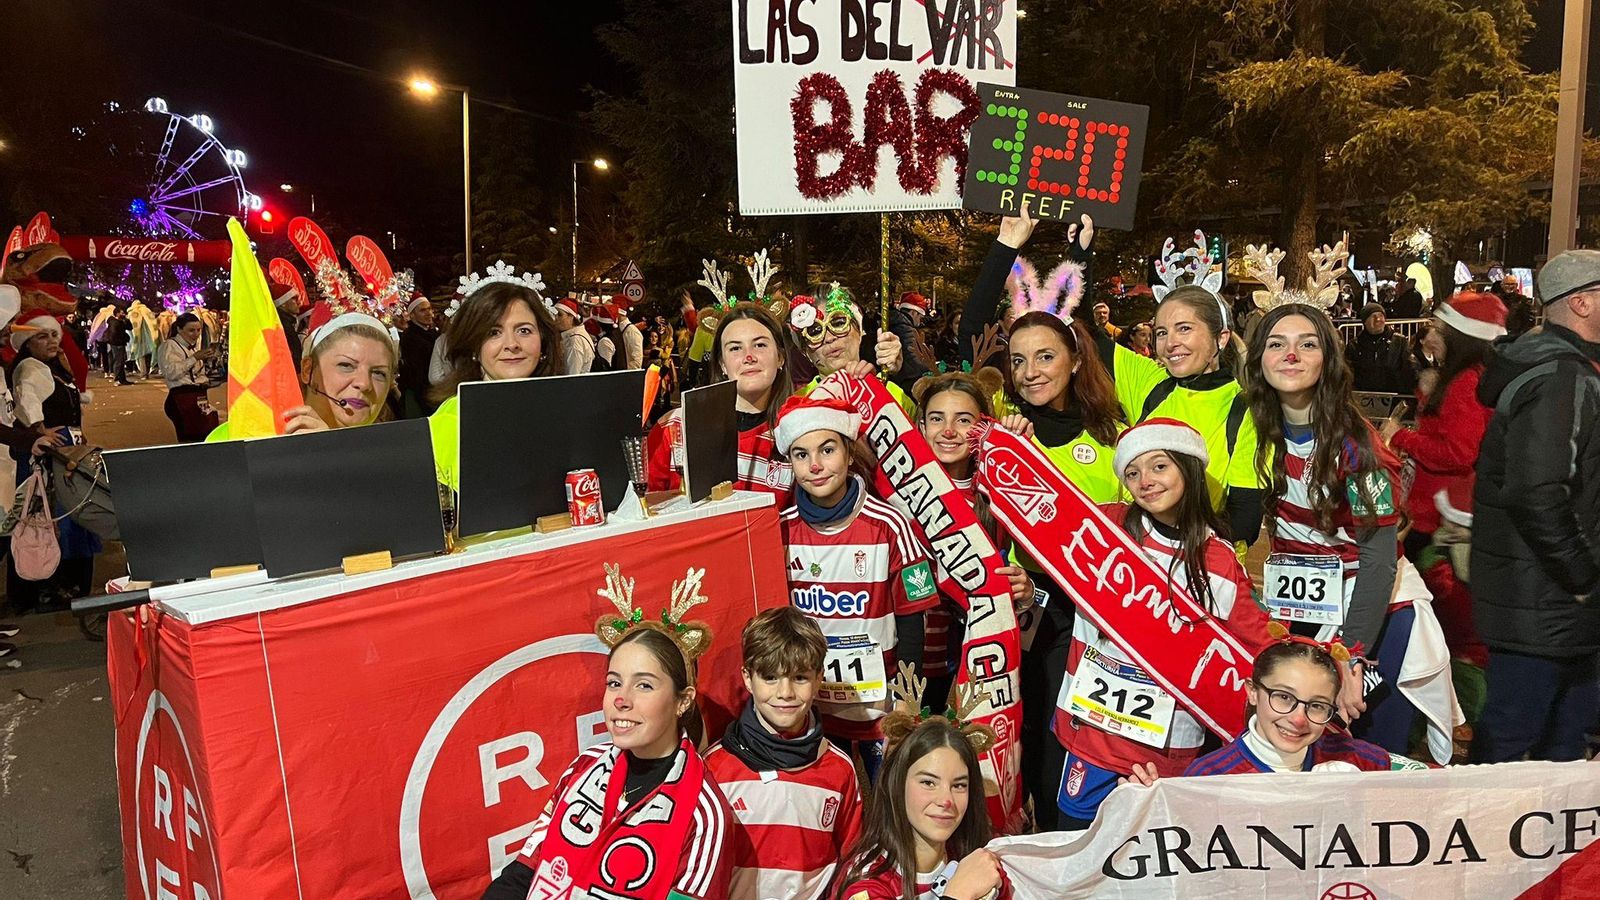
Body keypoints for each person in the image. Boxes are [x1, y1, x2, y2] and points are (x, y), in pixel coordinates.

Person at [1246, 301, 1452, 760]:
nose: (1291, 355)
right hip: (1300, 611)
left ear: (1329, 360)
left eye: (1308, 344)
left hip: (1374, 612)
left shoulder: (1359, 449)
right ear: (1259, 357)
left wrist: (1352, 654)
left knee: (1366, 757)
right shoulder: (1251, 432)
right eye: (1277, 344)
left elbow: (1379, 558)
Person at [1054, 419, 1273, 828]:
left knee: (1146, 855)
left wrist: (1330, 662)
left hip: (1166, 742)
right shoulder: (1105, 526)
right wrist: (1010, 444)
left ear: (1188, 468)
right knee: (1075, 841)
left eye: (1159, 467)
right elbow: (1038, 507)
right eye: (1132, 472)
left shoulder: (1220, 562)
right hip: (1092, 731)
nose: (1145, 481)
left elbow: (1258, 643)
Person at [482, 573, 731, 899]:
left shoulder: (703, 815)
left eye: (644, 685)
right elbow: (523, 873)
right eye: (614, 682)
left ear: (682, 701)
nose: (621, 699)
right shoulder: (583, 767)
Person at [1470, 249, 1600, 764]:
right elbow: (1537, 492)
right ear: (1584, 303)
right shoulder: (1561, 376)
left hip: (1548, 603)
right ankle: (1476, 839)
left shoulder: (1558, 367)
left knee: (1560, 749)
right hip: (1547, 603)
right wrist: (1583, 578)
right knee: (1515, 744)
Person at [775, 395, 938, 782]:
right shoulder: (778, 530)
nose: (815, 465)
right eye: (801, 455)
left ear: (849, 454)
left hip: (880, 706)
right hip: (811, 704)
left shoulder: (891, 524)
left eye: (827, 450)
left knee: (890, 800)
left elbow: (914, 620)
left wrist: (908, 700)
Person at [704, 608, 863, 900]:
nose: (785, 692)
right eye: (770, 677)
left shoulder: (840, 769)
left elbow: (852, 863)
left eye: (800, 677)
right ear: (748, 678)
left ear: (819, 679)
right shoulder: (713, 768)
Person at [912, 370, 1036, 707]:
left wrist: (1025, 591)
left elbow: (1021, 576)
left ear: (983, 427)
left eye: (963, 420)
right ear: (921, 428)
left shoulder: (999, 495)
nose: (948, 431)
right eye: (936, 419)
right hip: (911, 663)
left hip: (976, 663)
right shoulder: (896, 490)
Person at [1175, 634, 1426, 777]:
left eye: (1317, 706)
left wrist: (1360, 796)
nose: (1298, 719)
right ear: (1252, 692)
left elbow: (1419, 785)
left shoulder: (1356, 759)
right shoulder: (1209, 777)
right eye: (1284, 697)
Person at [833, 699, 1010, 900]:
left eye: (959, 785)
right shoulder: (864, 883)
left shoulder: (977, 860)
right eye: (928, 782)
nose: (946, 800)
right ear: (897, 785)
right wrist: (958, 895)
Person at [1380, 292, 1505, 560]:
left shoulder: (1465, 383)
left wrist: (1400, 436)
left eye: (1440, 330)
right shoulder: (1465, 377)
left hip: (1439, 513)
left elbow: (1457, 454)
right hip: (1436, 508)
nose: (1432, 337)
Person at [429, 273, 563, 492]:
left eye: (524, 330)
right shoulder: (452, 421)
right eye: (494, 332)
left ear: (544, 342)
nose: (512, 344)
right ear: (474, 346)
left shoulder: (563, 410)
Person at [648, 302, 795, 497]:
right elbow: (643, 513)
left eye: (760, 345)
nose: (748, 356)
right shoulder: (674, 428)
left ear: (781, 358)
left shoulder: (798, 433)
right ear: (722, 364)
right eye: (735, 348)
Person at [6, 314, 98, 609]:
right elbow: (26, 399)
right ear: (27, 343)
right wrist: (38, 428)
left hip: (63, 453)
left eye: (54, 335)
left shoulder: (52, 368)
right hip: (48, 457)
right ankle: (48, 584)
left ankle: (54, 583)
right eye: (42, 336)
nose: (52, 341)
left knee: (56, 518)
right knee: (49, 519)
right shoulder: (30, 367)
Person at [208, 302, 399, 441]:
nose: (364, 383)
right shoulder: (241, 436)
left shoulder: (400, 455)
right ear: (308, 370)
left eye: (379, 373)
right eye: (346, 365)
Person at [788, 286, 913, 412]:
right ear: (805, 351)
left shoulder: (894, 395)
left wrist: (902, 373)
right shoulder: (797, 407)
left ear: (860, 330)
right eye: (815, 332)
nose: (829, 338)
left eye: (838, 323)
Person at [157, 313, 219, 442]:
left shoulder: (191, 346)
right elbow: (171, 373)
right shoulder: (170, 346)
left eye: (198, 330)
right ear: (179, 329)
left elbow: (196, 374)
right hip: (182, 397)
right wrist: (195, 358)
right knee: (192, 440)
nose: (196, 334)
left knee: (207, 434)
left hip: (198, 397)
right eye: (191, 330)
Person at [1345, 303, 1417, 394]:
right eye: (1373, 316)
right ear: (1365, 321)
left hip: (1393, 396)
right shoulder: (1354, 345)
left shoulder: (1399, 341)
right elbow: (1348, 373)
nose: (1378, 319)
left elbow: (1409, 370)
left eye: (1380, 316)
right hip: (1363, 397)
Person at [398, 295, 439, 418]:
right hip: (420, 396)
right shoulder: (410, 338)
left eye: (429, 309)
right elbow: (416, 373)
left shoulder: (433, 333)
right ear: (412, 315)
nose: (429, 313)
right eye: (423, 310)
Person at [551, 296, 594, 376]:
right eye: (555, 314)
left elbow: (572, 375)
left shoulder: (574, 341)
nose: (555, 318)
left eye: (560, 315)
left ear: (571, 317)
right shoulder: (575, 335)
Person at [270, 279, 304, 364]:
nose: (298, 302)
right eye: (293, 299)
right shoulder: (283, 324)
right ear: (283, 303)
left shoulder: (288, 322)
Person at [104, 307, 132, 384]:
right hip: (117, 344)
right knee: (118, 361)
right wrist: (119, 341)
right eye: (122, 313)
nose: (123, 314)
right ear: (117, 313)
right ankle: (117, 379)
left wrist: (126, 319)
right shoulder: (114, 322)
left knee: (121, 361)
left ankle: (122, 379)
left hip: (120, 343)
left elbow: (130, 327)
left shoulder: (120, 321)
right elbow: (114, 334)